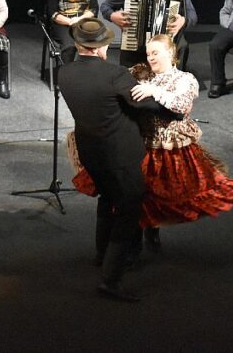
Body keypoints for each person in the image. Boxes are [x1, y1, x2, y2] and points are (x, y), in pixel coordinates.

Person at [57, 18, 162, 302]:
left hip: (89, 151)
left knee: (107, 198)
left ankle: (101, 254)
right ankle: (111, 279)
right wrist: (159, 93)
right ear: (100, 46)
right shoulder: (115, 74)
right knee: (129, 208)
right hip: (120, 154)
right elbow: (145, 104)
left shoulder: (64, 72)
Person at [130, 34, 233, 250]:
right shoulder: (144, 76)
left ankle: (153, 229)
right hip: (144, 142)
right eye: (148, 54)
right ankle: (140, 234)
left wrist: (154, 91)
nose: (150, 58)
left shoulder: (184, 79)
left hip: (171, 147)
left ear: (170, 53)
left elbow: (181, 105)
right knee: (142, 192)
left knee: (168, 192)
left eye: (155, 53)